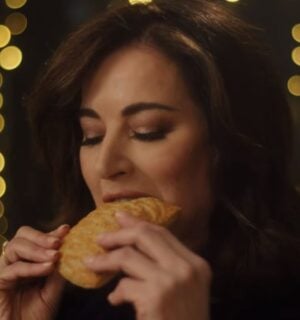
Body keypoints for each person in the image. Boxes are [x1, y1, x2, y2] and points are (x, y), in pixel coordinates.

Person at [0, 0, 299, 319]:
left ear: (228, 142)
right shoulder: (65, 303)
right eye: (92, 135)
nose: (105, 164)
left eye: (148, 131)